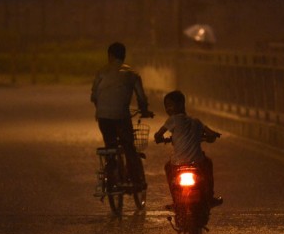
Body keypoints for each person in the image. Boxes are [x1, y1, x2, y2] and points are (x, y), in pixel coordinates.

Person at [91, 42, 152, 189]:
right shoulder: (132, 75)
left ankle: (112, 173)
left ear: (110, 56)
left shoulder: (101, 72)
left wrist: (101, 109)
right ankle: (135, 179)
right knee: (128, 146)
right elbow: (141, 98)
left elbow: (94, 96)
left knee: (110, 145)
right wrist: (144, 111)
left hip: (104, 118)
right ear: (123, 56)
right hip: (122, 117)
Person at [154, 90, 223, 207]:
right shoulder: (196, 122)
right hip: (197, 162)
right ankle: (210, 197)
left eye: (170, 105)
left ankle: (175, 200)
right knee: (208, 163)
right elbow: (210, 134)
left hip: (178, 162)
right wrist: (214, 135)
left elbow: (158, 134)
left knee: (167, 167)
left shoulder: (173, 119)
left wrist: (159, 138)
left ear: (181, 104)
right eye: (166, 106)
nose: (168, 109)